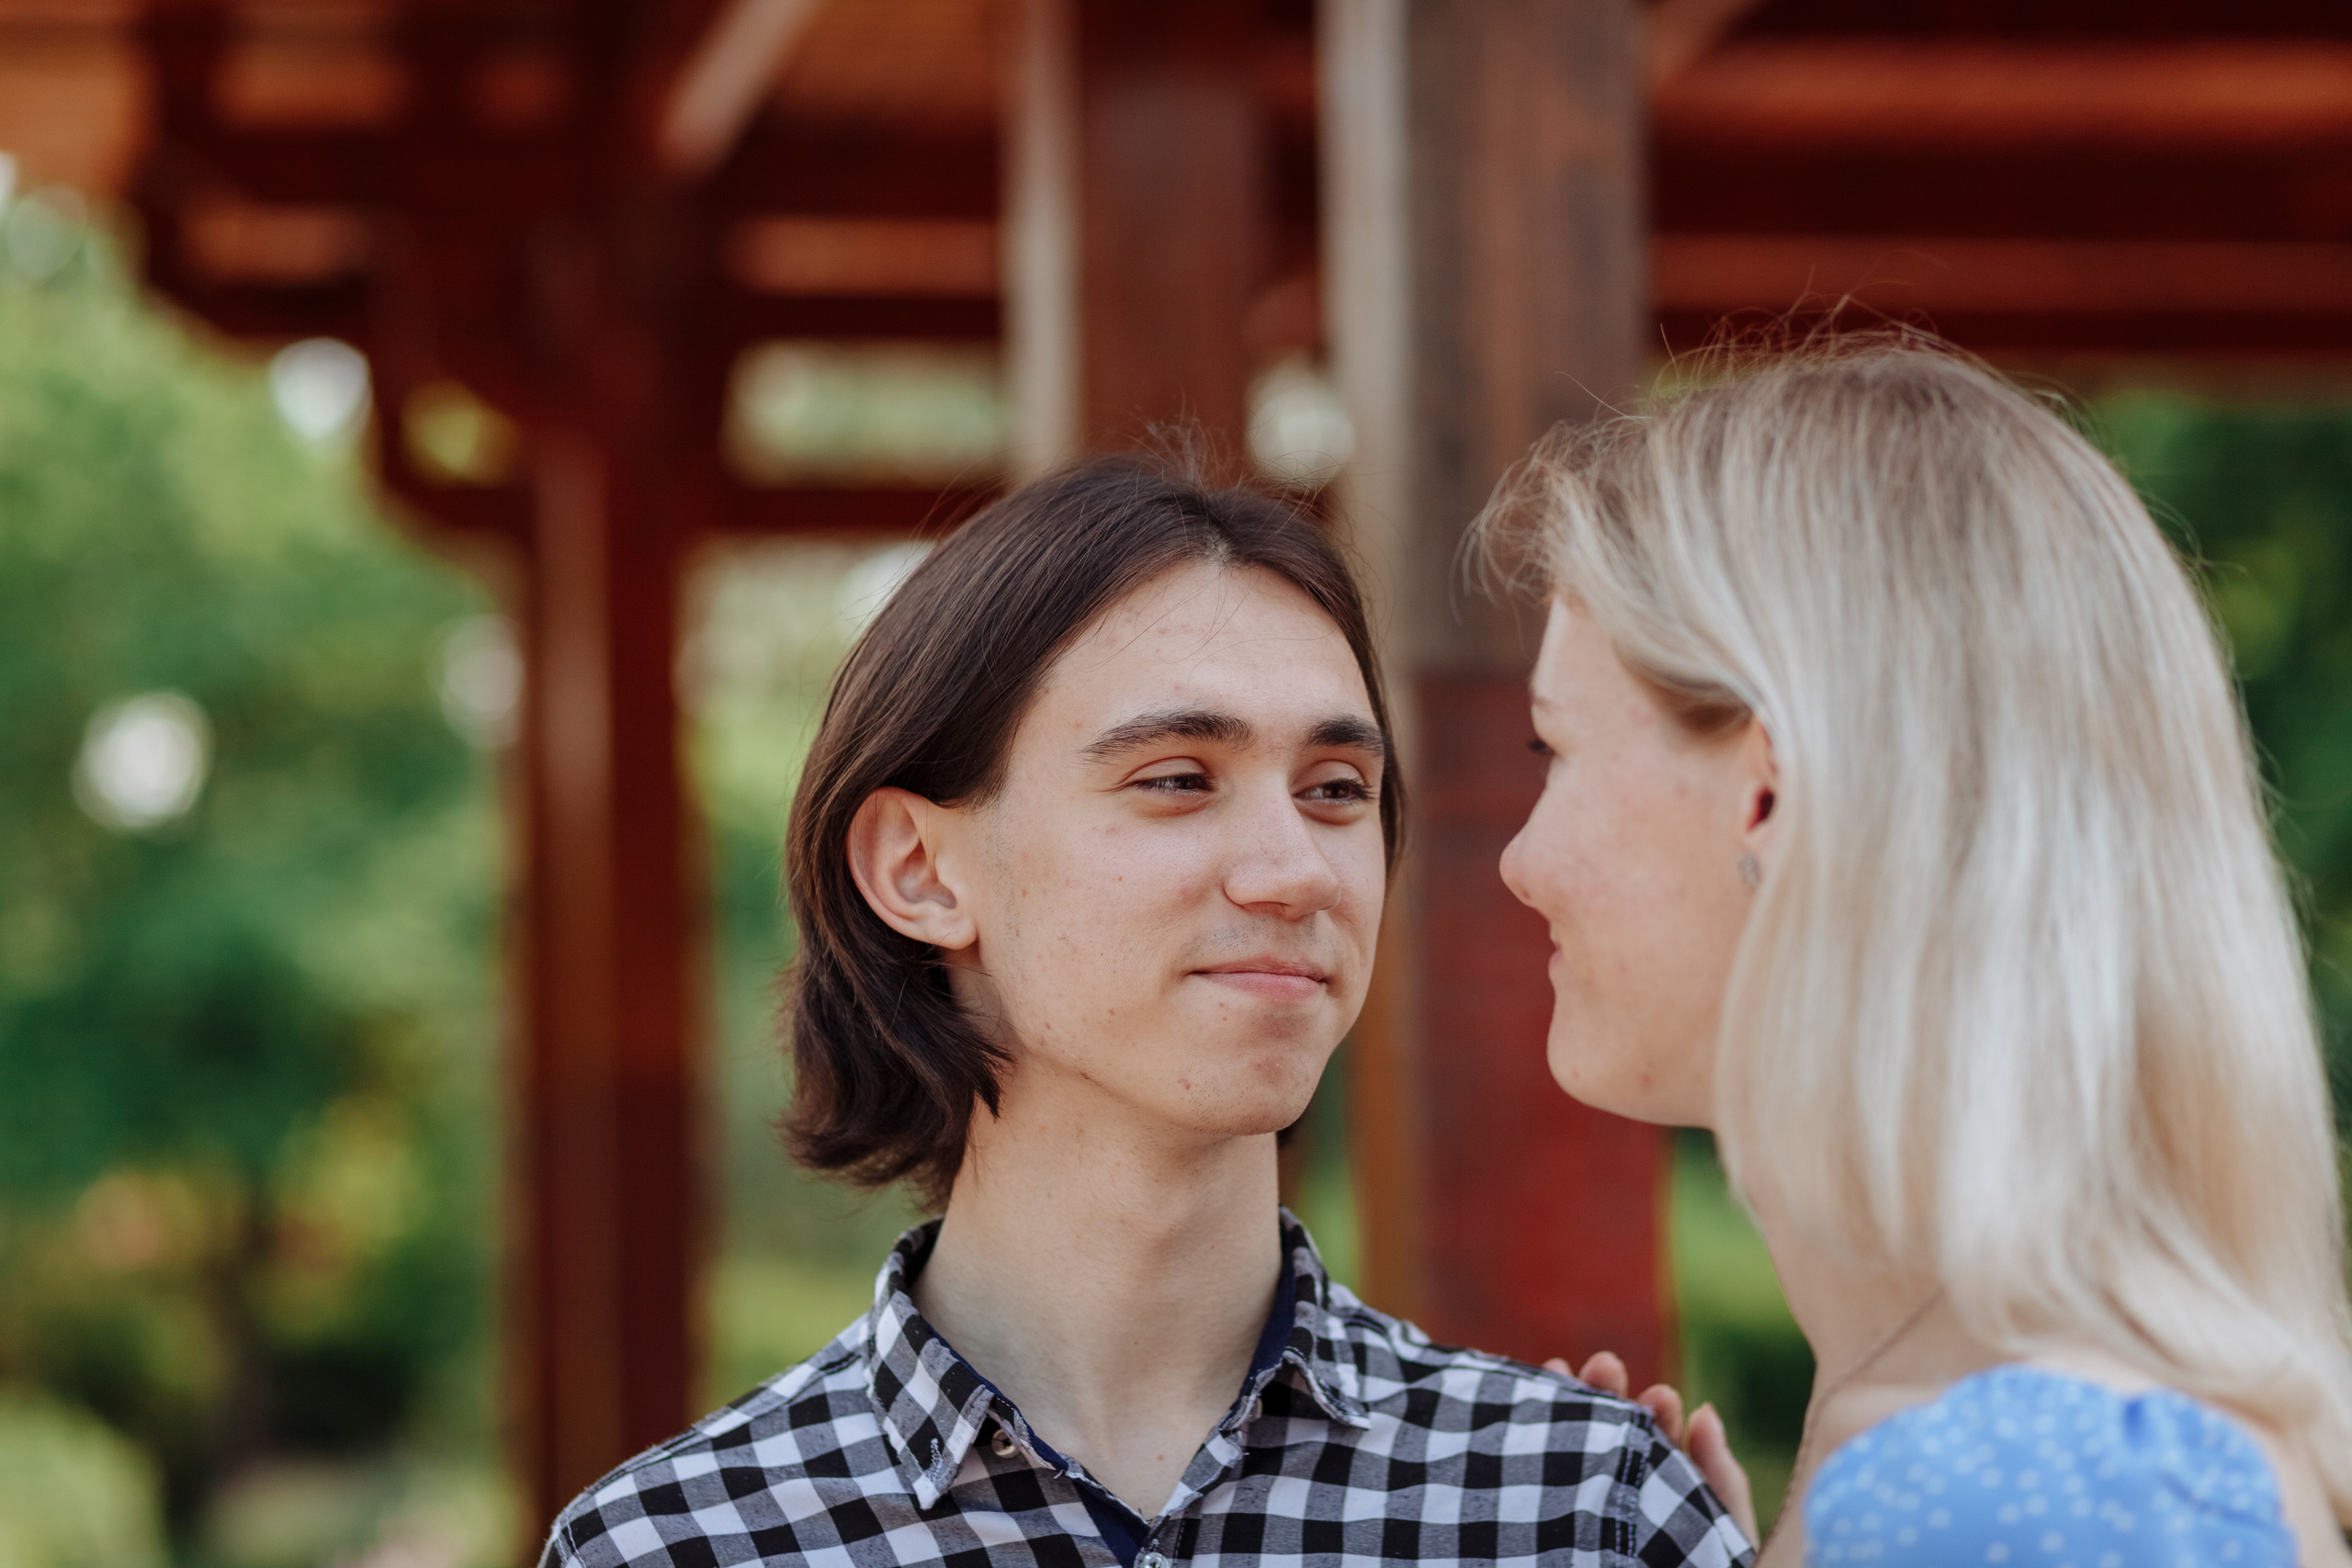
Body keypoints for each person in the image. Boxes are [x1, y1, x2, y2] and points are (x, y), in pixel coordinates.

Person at [538, 460, 1755, 1567]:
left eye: (1337, 790)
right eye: (1176, 780)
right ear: (919, 869)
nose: (1295, 870)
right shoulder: (673, 1549)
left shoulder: (1579, 1510)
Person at [1483, 339, 2352, 1565]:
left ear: (1768, 797)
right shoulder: (2017, 1461)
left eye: (1554, 749)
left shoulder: (2011, 1494)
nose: (1523, 860)